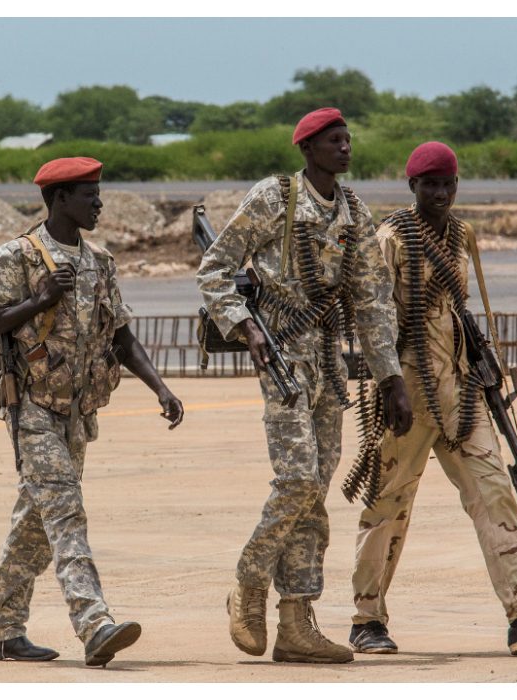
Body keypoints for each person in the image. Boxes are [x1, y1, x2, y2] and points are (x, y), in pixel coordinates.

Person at [196, 108, 411, 664]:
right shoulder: (274, 198)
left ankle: (296, 622)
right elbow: (214, 268)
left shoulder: (354, 210)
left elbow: (372, 298)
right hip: (282, 358)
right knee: (294, 481)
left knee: (314, 492)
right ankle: (248, 582)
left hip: (328, 365)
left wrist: (390, 375)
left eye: (348, 140)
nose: (345, 149)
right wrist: (244, 324)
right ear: (308, 148)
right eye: (333, 142)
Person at [347, 141, 517, 656]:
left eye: (449, 184)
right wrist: (390, 385)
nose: (442, 193)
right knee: (388, 506)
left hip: (461, 395)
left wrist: (482, 366)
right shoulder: (391, 239)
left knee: (495, 491)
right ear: (413, 187)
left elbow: (463, 311)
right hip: (407, 393)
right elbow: (374, 319)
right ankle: (366, 619)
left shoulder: (460, 236)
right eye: (431, 184)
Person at [0, 156, 185, 667]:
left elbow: (122, 337)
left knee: (34, 523)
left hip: (79, 414)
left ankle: (2, 632)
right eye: (89, 194)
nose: (99, 203)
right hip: (33, 411)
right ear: (60, 198)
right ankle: (94, 624)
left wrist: (161, 388)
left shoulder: (100, 262)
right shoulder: (14, 258)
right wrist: (38, 301)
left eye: (98, 193)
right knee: (65, 513)